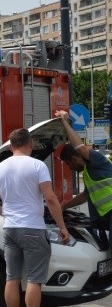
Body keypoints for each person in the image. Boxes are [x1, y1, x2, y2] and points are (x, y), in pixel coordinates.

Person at [0, 127, 70, 307]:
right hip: (33, 228)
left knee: (12, 277)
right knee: (34, 279)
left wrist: (7, 213)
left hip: (10, 229)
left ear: (10, 146)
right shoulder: (37, 165)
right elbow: (50, 198)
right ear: (30, 144)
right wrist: (62, 227)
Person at [55, 109, 112, 254]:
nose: (70, 168)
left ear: (75, 158)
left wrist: (65, 122)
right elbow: (85, 195)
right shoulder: (89, 172)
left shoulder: (96, 159)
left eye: (69, 164)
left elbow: (79, 148)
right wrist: (63, 207)